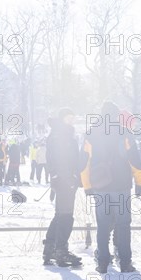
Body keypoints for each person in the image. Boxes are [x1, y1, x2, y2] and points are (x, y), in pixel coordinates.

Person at [80, 102, 141, 273]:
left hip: (101, 186)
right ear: (116, 115)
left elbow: (84, 162)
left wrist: (87, 185)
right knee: (123, 224)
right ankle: (125, 262)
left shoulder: (91, 134)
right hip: (121, 186)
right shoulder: (125, 133)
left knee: (103, 224)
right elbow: (134, 160)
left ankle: (103, 263)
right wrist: (140, 182)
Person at [43, 107, 84, 267]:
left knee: (61, 215)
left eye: (72, 118)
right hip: (64, 180)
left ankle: (50, 248)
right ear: (62, 119)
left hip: (65, 179)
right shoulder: (60, 136)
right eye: (68, 118)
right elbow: (54, 158)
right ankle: (60, 250)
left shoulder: (63, 134)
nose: (71, 121)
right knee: (66, 216)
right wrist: (62, 176)